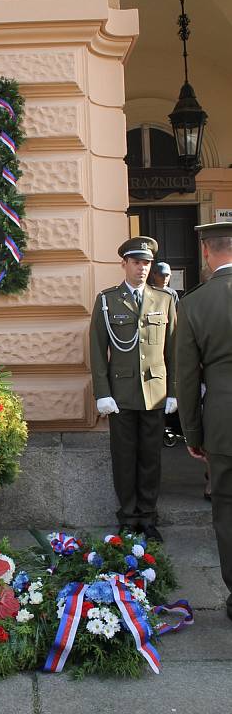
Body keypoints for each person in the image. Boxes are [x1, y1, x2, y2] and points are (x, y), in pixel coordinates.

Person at [89, 236, 177, 542]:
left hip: (156, 392)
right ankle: (128, 518)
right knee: (124, 459)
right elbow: (98, 351)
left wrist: (175, 391)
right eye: (136, 262)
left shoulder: (164, 299)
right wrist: (102, 392)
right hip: (121, 394)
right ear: (124, 264)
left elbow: (174, 350)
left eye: (147, 263)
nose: (142, 268)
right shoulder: (106, 300)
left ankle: (149, 517)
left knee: (151, 459)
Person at [176, 220, 232, 621]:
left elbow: (187, 376)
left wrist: (192, 434)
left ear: (208, 253)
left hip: (222, 421)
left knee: (227, 509)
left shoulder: (194, 302)